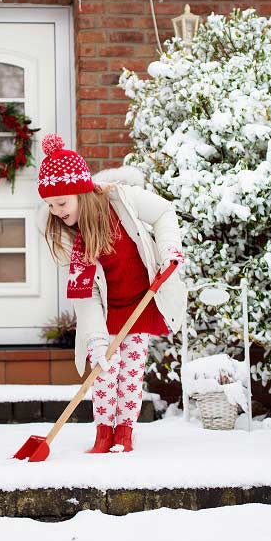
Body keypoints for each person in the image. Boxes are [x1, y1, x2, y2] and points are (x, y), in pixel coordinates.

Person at [37, 133, 187, 453]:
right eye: (50, 205)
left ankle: (125, 434)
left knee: (131, 373)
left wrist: (169, 249)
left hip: (140, 302)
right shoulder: (74, 240)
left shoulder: (122, 200)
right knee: (104, 372)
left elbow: (164, 213)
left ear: (81, 192)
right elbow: (84, 294)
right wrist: (95, 337)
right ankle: (103, 434)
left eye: (61, 203)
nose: (56, 211)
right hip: (104, 315)